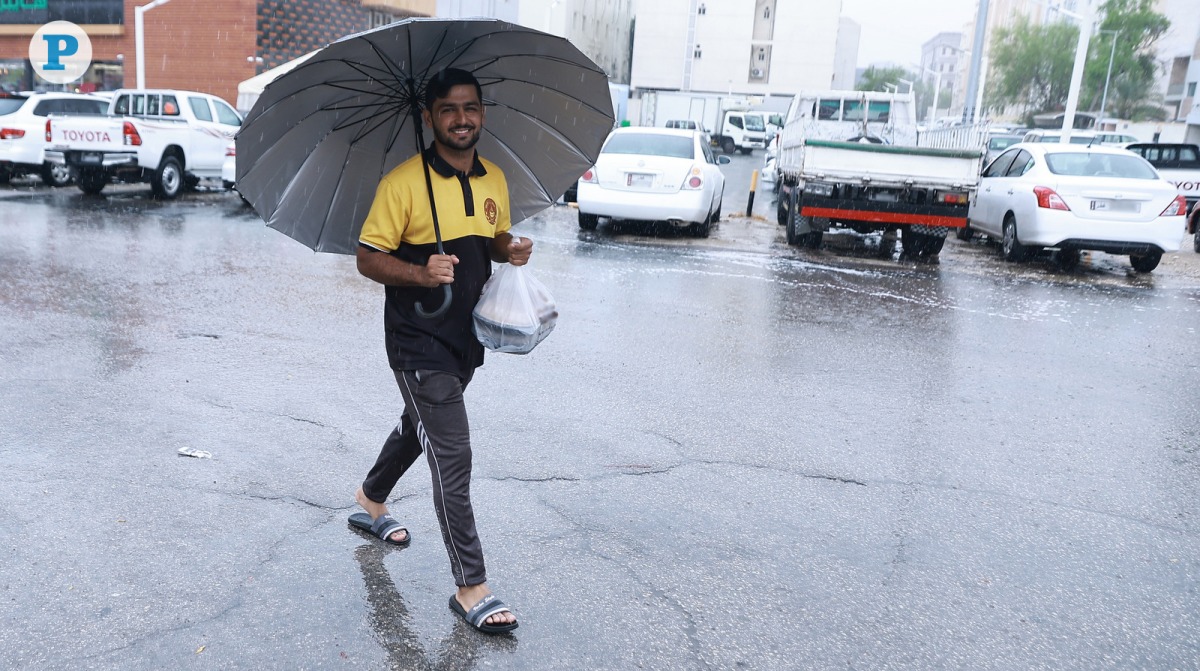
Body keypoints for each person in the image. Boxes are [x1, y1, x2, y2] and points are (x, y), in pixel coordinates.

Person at [350, 68, 531, 635]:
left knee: (420, 425)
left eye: (470, 107)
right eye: (448, 109)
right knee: (452, 455)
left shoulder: (494, 178)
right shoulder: (403, 183)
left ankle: (370, 498)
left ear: (482, 113)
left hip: (467, 336)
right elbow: (367, 257)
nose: (461, 118)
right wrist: (420, 273)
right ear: (429, 117)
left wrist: (509, 247)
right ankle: (470, 585)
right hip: (416, 338)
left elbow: (490, 237)